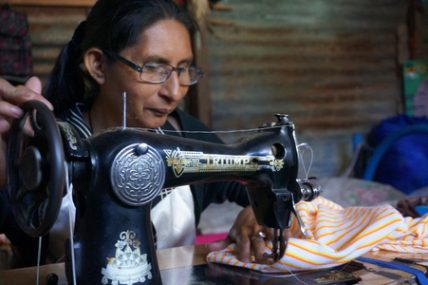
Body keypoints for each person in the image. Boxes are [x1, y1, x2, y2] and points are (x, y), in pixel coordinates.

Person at [0, 0, 280, 267]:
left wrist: (257, 214)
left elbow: (267, 188)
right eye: (154, 67)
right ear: (98, 65)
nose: (174, 92)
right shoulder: (40, 147)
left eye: (183, 70)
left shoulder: (188, 135)